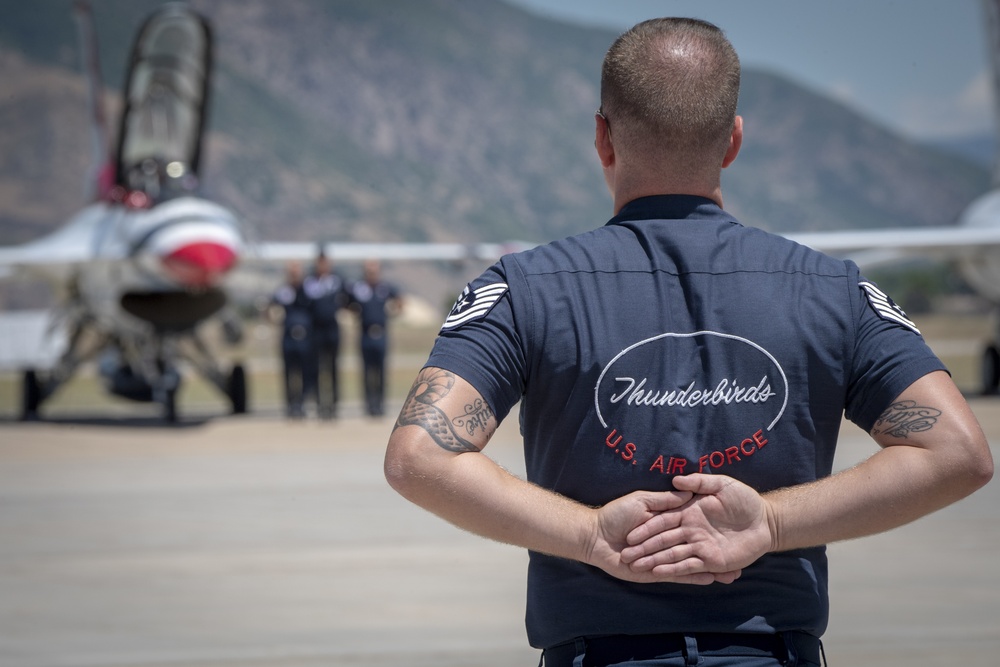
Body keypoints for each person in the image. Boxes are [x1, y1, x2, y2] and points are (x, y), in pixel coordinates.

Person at [384, 17, 993, 667]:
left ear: (601, 137)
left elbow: (421, 457)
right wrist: (771, 522)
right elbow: (956, 450)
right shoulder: (830, 289)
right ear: (732, 140)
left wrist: (591, 534)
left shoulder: (525, 289)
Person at [349, 259, 402, 417]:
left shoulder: (384, 288)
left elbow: (399, 300)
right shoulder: (359, 289)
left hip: (381, 334)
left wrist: (392, 313)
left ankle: (380, 404)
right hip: (365, 334)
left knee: (381, 371)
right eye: (368, 270)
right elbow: (348, 303)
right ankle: (369, 405)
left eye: (374, 270)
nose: (371, 273)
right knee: (366, 371)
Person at [304, 250, 348, 419]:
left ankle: (333, 404)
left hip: (332, 330)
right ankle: (319, 404)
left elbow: (349, 298)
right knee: (316, 368)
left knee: (333, 368)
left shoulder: (337, 282)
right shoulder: (310, 283)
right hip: (315, 331)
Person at [271, 260, 314, 419]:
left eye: (297, 272)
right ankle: (291, 405)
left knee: (306, 373)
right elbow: (270, 307)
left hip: (305, 338)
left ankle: (301, 403)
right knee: (289, 373)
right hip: (288, 338)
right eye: (292, 272)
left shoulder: (309, 291)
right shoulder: (283, 292)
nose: (295, 275)